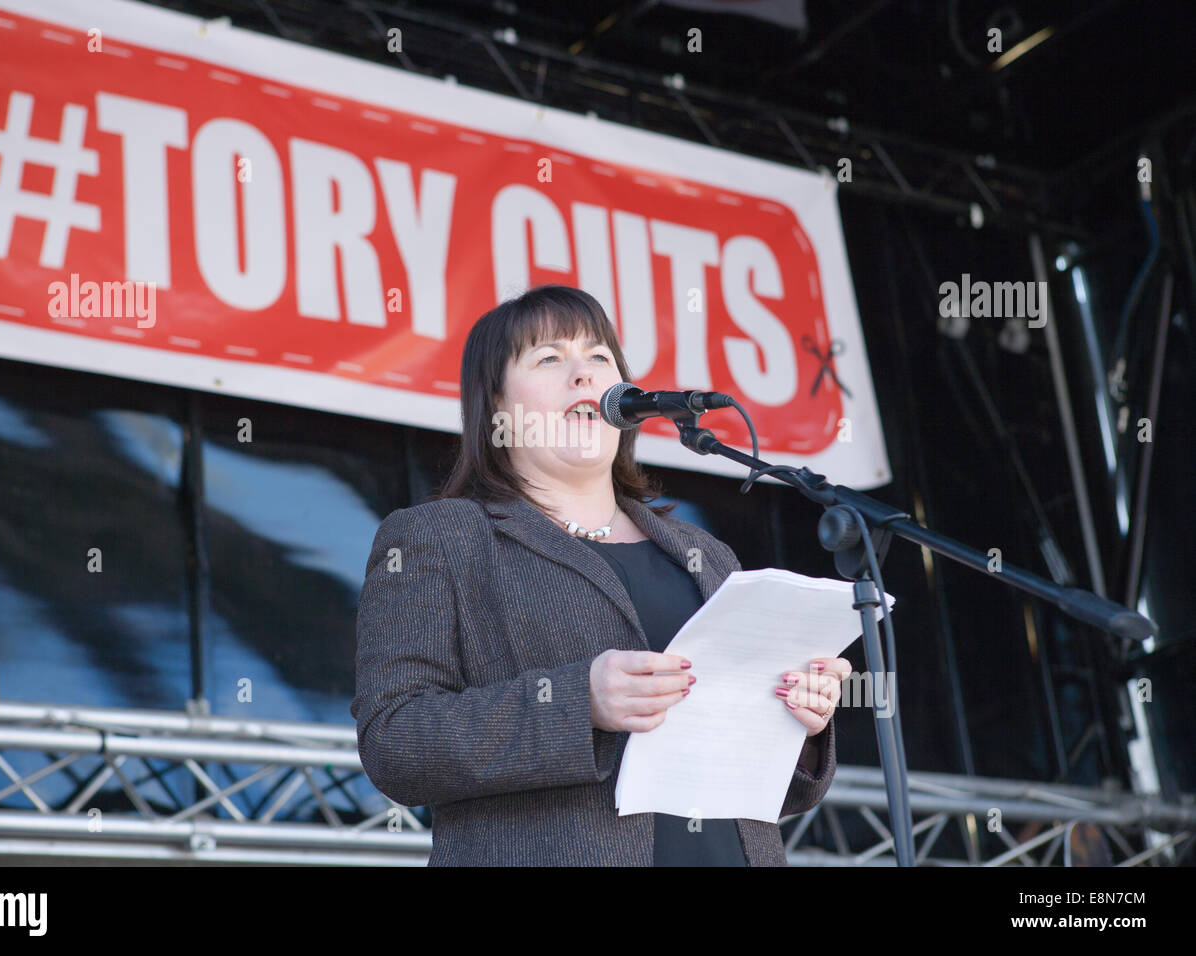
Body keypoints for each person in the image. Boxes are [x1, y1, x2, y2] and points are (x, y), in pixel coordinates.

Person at [351, 284, 849, 866]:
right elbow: (396, 742)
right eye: (549, 358)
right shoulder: (440, 539)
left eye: (598, 357)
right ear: (498, 405)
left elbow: (766, 788)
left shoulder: (706, 555)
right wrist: (577, 702)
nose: (584, 375)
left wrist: (802, 721)